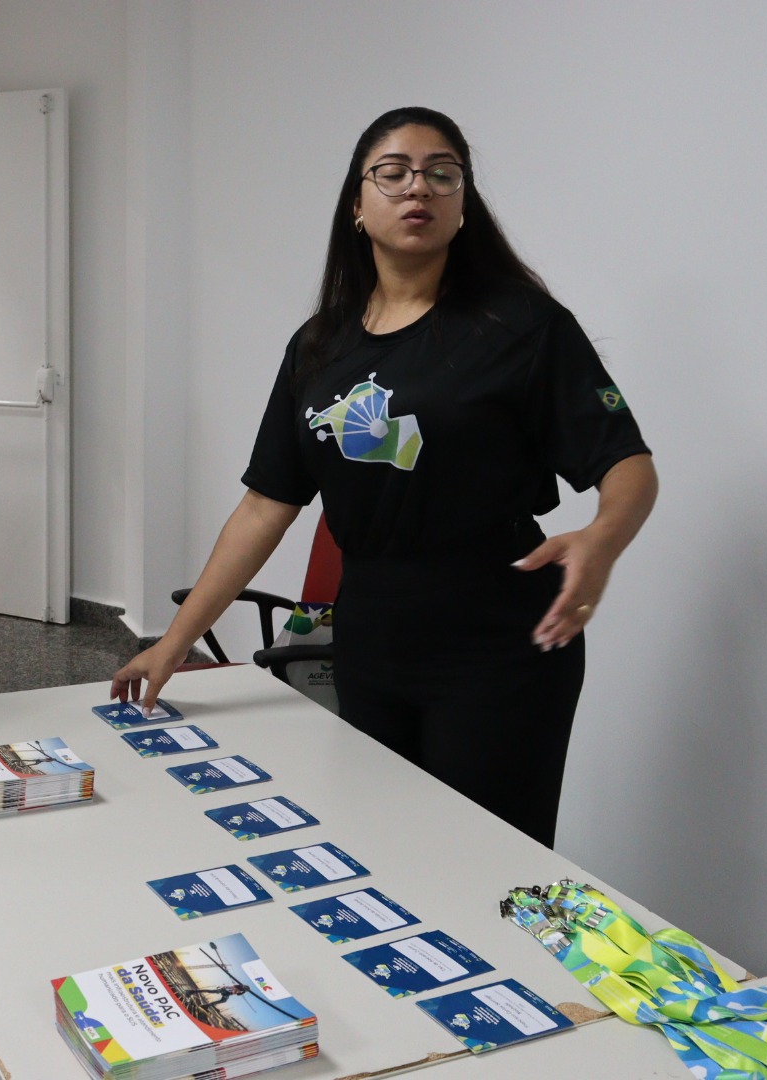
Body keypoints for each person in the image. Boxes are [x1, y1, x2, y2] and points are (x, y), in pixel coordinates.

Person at [112, 108, 658, 848]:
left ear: (463, 205)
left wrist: (602, 538)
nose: (418, 190)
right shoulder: (318, 347)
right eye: (393, 173)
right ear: (357, 205)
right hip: (370, 637)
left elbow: (627, 463)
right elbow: (266, 505)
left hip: (498, 641)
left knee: (485, 863)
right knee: (386, 853)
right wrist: (175, 642)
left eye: (442, 173)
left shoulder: (521, 327)